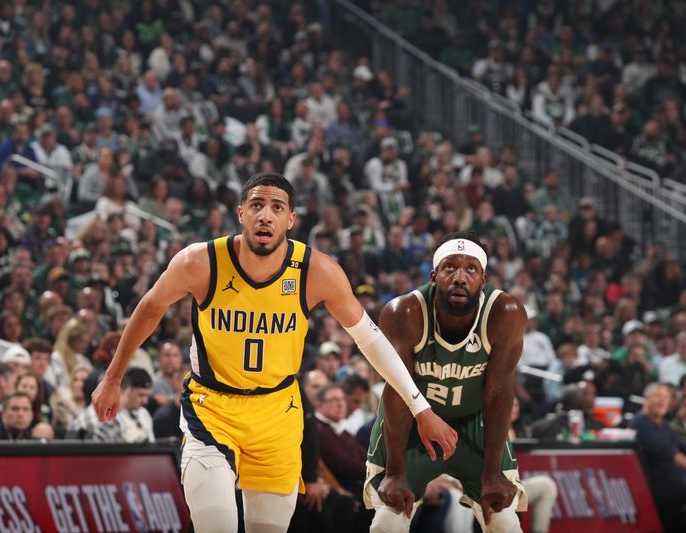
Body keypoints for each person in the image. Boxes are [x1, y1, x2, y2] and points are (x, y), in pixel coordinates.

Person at [92, 172, 456, 533]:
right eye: (257, 205)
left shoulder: (317, 271)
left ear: (290, 219)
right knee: (216, 524)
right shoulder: (201, 262)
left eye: (277, 207)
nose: (266, 215)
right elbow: (150, 308)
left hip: (278, 415)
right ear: (241, 214)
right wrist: (113, 377)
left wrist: (420, 407)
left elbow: (371, 340)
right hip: (212, 410)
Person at [365, 232, 527, 533]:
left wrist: (492, 472)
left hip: (474, 423)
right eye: (450, 267)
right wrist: (396, 472)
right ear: (434, 275)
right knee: (387, 522)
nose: (460, 277)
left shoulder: (505, 313)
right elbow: (397, 392)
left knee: (505, 522)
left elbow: (499, 393)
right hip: (412, 424)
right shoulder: (404, 313)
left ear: (484, 279)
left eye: (471, 269)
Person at [629, 382, 686, 531]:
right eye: (657, 396)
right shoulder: (641, 422)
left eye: (665, 398)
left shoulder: (664, 424)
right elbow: (669, 453)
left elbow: (682, 448)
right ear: (646, 398)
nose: (661, 401)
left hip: (676, 488)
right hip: (656, 491)